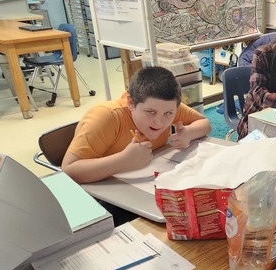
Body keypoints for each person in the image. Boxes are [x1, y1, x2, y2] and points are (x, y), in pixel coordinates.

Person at [62, 65, 211, 184]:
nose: (159, 122)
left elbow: (205, 123)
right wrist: (124, 160)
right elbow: (68, 171)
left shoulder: (166, 107)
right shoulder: (106, 117)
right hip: (103, 195)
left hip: (145, 185)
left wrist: (189, 133)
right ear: (131, 103)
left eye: (168, 114)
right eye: (150, 112)